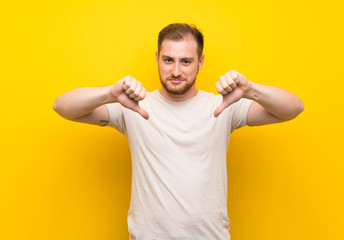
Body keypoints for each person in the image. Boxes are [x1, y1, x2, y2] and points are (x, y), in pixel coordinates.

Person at [53, 23, 304, 240]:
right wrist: (109, 94)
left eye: (186, 61)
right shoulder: (134, 106)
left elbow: (293, 108)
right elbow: (63, 107)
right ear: (157, 59)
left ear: (200, 62)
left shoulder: (222, 106)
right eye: (168, 60)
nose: (176, 71)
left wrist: (250, 89)